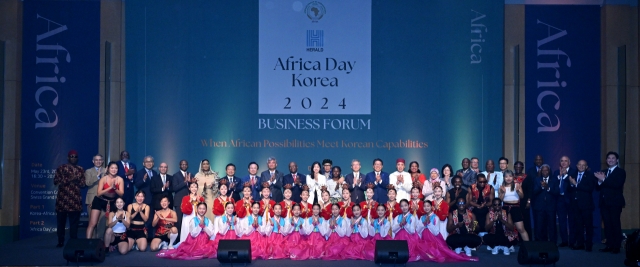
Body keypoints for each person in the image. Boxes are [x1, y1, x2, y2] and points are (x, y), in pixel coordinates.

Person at [595, 151, 626, 254]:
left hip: (615, 203)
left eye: (613, 158)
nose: (610, 160)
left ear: (617, 160)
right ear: (606, 160)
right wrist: (599, 181)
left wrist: (603, 179)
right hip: (604, 203)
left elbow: (616, 185)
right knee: (607, 225)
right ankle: (609, 245)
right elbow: (598, 187)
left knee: (615, 224)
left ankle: (616, 246)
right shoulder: (603, 171)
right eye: (609, 158)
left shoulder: (621, 172)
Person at [54, 150, 86, 247]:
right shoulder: (61, 168)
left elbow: (83, 184)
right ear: (68, 158)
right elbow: (56, 181)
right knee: (61, 223)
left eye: (75, 156)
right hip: (62, 200)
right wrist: (71, 179)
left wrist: (77, 180)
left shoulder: (80, 169)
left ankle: (73, 241)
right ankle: (60, 241)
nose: (73, 158)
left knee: (74, 223)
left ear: (77, 158)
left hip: (75, 200)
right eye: (71, 156)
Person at [86, 161, 124, 240]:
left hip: (112, 202)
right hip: (100, 200)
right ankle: (87, 243)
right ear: (108, 169)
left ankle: (108, 243)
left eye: (116, 168)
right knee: (93, 223)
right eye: (112, 168)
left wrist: (115, 188)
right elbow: (99, 193)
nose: (114, 170)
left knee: (110, 224)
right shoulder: (103, 179)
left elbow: (121, 194)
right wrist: (110, 188)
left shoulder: (120, 179)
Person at [569, 160, 595, 252]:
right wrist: (571, 184)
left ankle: (588, 245)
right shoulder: (573, 174)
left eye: (583, 165)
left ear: (586, 167)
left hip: (586, 205)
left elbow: (590, 189)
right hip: (575, 205)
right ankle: (580, 243)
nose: (581, 166)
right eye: (579, 164)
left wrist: (576, 184)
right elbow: (569, 189)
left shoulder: (590, 175)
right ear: (576, 165)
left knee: (588, 226)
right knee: (578, 225)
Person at [498, 170, 530, 243]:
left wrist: (518, 191)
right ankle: (508, 245)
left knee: (521, 228)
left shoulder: (517, 185)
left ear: (513, 177)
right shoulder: (502, 187)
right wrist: (503, 192)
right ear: (504, 178)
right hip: (505, 208)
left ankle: (528, 246)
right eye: (506, 176)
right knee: (506, 228)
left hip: (516, 208)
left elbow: (522, 197)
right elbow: (500, 200)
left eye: (510, 176)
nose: (508, 178)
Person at [553, 156, 576, 247]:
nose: (563, 162)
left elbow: (572, 186)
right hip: (559, 200)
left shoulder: (574, 172)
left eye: (566, 161)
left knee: (572, 221)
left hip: (570, 200)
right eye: (562, 161)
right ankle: (564, 241)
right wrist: (559, 177)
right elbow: (554, 184)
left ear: (569, 163)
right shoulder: (556, 172)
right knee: (562, 221)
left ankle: (572, 241)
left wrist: (565, 175)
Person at [532, 164, 558, 242]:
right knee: (539, 226)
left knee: (552, 226)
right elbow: (534, 192)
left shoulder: (554, 179)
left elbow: (557, 192)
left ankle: (553, 243)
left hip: (550, 207)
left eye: (546, 170)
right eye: (543, 170)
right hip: (539, 207)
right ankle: (540, 243)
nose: (544, 172)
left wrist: (548, 188)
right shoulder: (537, 179)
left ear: (549, 171)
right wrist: (542, 187)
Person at [172, 160, 194, 244]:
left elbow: (193, 187)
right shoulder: (175, 175)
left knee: (189, 221)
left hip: (190, 201)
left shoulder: (191, 175)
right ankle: (179, 240)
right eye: (182, 164)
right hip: (179, 201)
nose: (184, 166)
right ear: (179, 165)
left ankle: (189, 239)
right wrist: (185, 182)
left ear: (187, 165)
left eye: (185, 164)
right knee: (179, 221)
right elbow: (174, 188)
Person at [84, 154, 105, 239]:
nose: (98, 161)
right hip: (91, 199)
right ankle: (91, 242)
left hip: (103, 199)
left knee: (102, 222)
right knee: (92, 222)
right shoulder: (88, 171)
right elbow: (87, 183)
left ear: (102, 161)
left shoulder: (106, 170)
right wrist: (97, 176)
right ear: (93, 161)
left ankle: (100, 241)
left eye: (100, 160)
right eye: (96, 160)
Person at [135, 156, 156, 236]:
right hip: (143, 200)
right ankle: (141, 237)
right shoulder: (140, 173)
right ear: (143, 163)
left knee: (151, 220)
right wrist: (143, 180)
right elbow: (137, 185)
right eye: (147, 162)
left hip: (152, 200)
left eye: (150, 161)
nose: (149, 163)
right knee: (143, 220)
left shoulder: (154, 173)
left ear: (153, 163)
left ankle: (150, 238)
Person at [514, 160, 534, 239]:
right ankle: (516, 239)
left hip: (524, 202)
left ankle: (526, 239)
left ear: (522, 167)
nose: (518, 168)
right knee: (515, 220)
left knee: (525, 220)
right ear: (514, 167)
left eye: (520, 167)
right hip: (514, 202)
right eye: (516, 166)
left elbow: (530, 190)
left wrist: (529, 201)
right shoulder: (511, 176)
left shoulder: (527, 177)